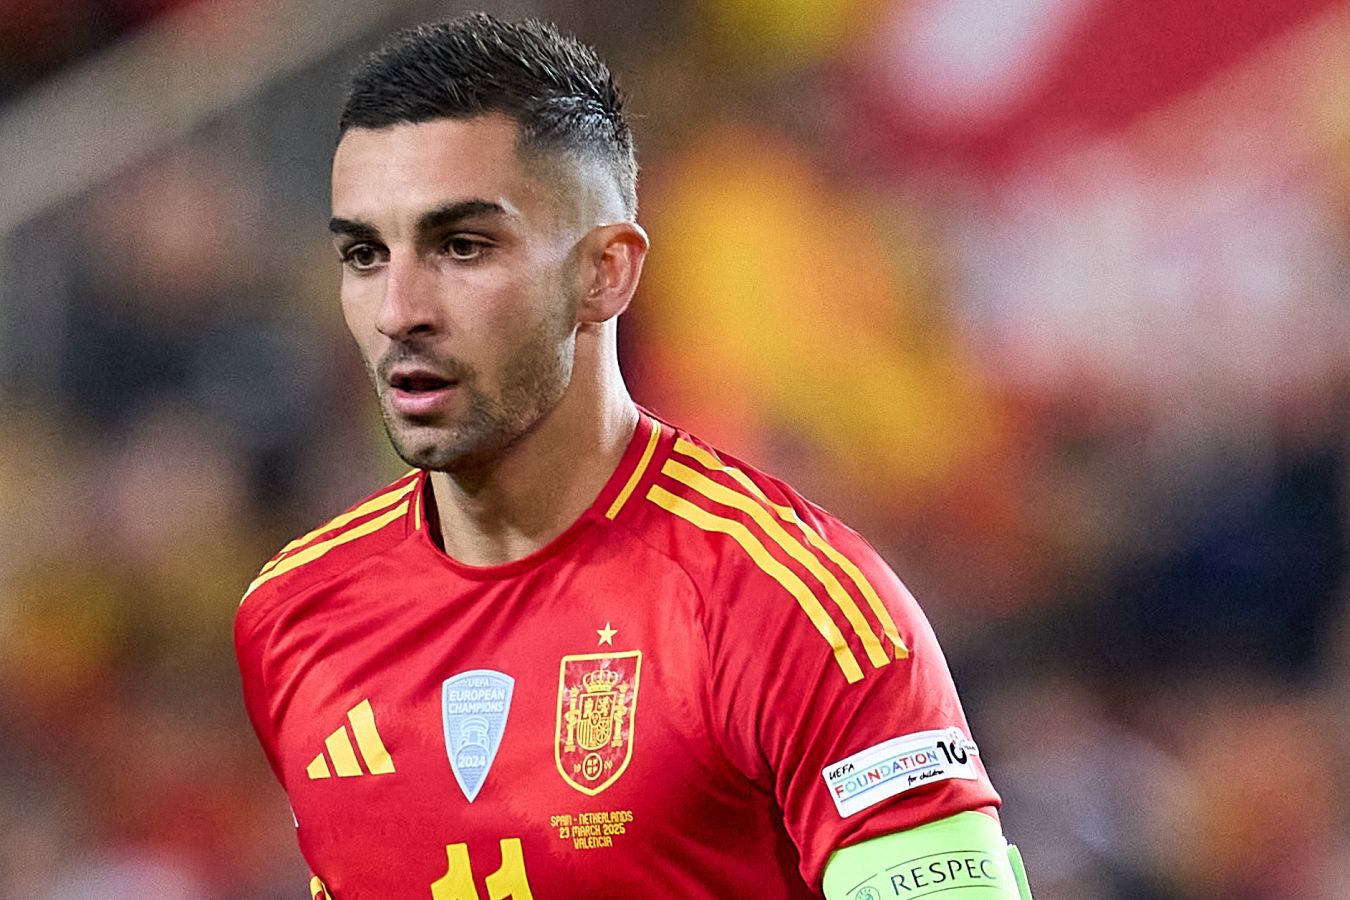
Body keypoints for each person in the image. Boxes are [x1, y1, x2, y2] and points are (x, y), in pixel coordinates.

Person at [234, 13, 1035, 900]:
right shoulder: (294, 616)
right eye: (364, 254)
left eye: (462, 247)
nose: (398, 310)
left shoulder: (791, 609)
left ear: (604, 272)